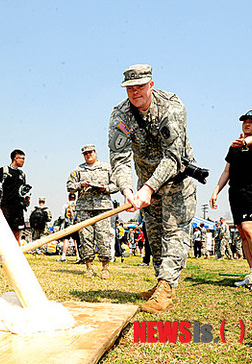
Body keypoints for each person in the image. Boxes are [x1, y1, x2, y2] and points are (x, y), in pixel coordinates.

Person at [108, 64, 197, 313]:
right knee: (155, 234)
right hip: (145, 182)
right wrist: (126, 189)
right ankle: (162, 282)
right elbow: (120, 157)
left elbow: (173, 156)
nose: (135, 92)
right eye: (129, 88)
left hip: (176, 179)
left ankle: (167, 287)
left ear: (151, 85)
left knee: (174, 231)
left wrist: (148, 188)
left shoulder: (172, 106)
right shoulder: (120, 115)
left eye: (140, 86)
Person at [210, 109, 252, 291]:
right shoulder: (234, 146)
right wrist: (215, 191)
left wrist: (246, 141)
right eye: (245, 121)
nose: (247, 124)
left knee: (251, 228)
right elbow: (227, 171)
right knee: (242, 232)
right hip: (235, 192)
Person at [66, 144, 118, 279]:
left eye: (91, 152)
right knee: (85, 238)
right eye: (86, 153)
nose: (89, 155)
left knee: (103, 237)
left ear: (95, 152)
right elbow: (69, 186)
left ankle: (105, 268)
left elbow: (116, 185)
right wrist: (80, 185)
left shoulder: (106, 168)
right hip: (84, 208)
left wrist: (104, 188)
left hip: (103, 208)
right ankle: (89, 267)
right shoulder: (78, 170)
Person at [0, 149, 31, 242]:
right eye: (22, 158)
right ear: (15, 158)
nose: (24, 161)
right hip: (6, 206)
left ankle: (15, 254)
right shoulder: (4, 171)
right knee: (4, 232)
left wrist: (26, 199)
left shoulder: (22, 174)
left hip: (18, 208)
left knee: (17, 233)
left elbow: (23, 190)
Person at [57, 192, 78, 262]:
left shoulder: (65, 205)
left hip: (67, 225)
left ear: (68, 198)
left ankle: (63, 256)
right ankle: (78, 256)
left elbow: (62, 216)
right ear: (75, 198)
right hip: (76, 225)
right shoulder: (77, 205)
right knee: (76, 241)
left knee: (66, 241)